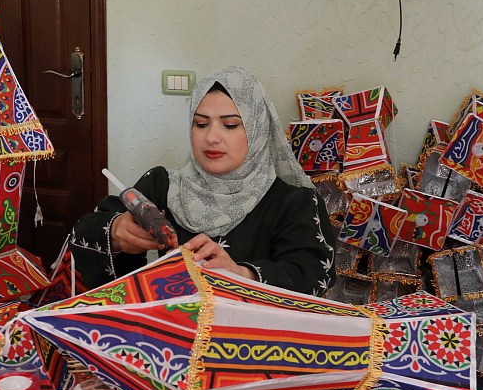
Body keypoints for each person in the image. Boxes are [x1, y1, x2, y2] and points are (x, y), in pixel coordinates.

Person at [71, 66, 336, 296]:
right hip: (169, 336)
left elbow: (312, 274)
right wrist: (117, 232)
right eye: (200, 123)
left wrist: (240, 274)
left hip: (248, 345)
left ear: (258, 130)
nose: (211, 137)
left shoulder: (293, 201)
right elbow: (84, 233)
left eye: (230, 125)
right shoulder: (162, 185)